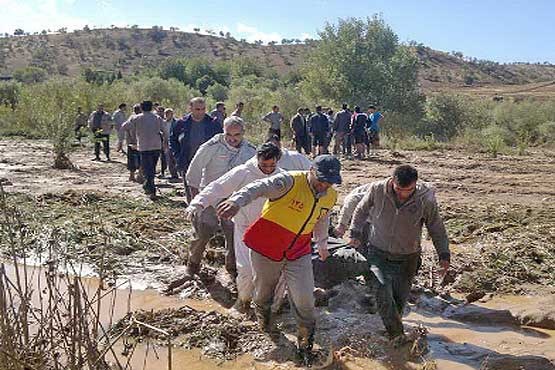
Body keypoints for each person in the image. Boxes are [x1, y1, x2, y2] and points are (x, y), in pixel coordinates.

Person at [216, 155, 341, 363]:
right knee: (265, 291)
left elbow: (322, 218)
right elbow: (256, 187)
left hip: (298, 250)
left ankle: (305, 345)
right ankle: (265, 323)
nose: (324, 185)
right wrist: (236, 201)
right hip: (267, 246)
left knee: (305, 298)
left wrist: (322, 243)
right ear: (310, 170)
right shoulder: (289, 182)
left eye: (330, 181)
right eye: (321, 180)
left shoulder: (330, 195)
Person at [348, 165, 450, 342]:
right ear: (392, 181)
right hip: (377, 251)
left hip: (408, 256)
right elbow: (361, 210)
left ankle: (390, 331)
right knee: (381, 289)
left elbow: (436, 227)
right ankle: (397, 336)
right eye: (399, 189)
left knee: (398, 299)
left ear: (415, 184)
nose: (403, 194)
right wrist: (355, 232)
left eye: (408, 190)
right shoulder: (377, 189)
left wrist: (444, 254)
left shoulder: (425, 199)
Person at [185, 143, 283, 312]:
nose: (268, 169)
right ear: (257, 159)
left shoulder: (282, 177)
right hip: (245, 227)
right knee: (245, 269)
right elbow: (218, 187)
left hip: (270, 229)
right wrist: (198, 203)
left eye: (272, 166)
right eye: (264, 165)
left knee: (274, 271)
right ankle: (243, 302)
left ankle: (271, 307)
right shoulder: (243, 172)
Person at [178, 117, 256, 282]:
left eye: (237, 135)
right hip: (209, 197)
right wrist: (194, 203)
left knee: (234, 234)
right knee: (203, 232)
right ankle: (192, 266)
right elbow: (193, 175)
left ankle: (232, 270)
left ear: (243, 133)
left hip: (234, 200)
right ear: (223, 131)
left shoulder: (250, 151)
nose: (232, 139)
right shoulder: (210, 147)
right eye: (229, 134)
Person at [169, 97, 223, 203]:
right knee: (190, 189)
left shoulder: (213, 124)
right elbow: (173, 139)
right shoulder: (181, 123)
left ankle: (207, 214)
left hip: (208, 164)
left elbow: (221, 141)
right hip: (187, 161)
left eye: (203, 109)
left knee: (207, 190)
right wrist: (177, 156)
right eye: (197, 109)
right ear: (191, 108)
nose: (201, 112)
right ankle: (193, 214)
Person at [121, 100, 166, 200]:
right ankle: (148, 187)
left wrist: (133, 134)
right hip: (156, 146)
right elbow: (165, 130)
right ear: (151, 108)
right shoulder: (157, 118)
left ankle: (151, 189)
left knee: (147, 169)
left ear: (141, 108)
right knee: (152, 168)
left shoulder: (136, 118)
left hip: (144, 147)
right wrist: (165, 143)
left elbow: (124, 126)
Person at [123, 104, 142, 182]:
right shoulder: (137, 118)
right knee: (140, 159)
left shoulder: (131, 118)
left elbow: (124, 126)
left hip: (133, 142)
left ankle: (134, 175)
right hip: (137, 143)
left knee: (132, 159)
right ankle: (137, 175)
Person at [161, 108, 179, 180]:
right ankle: (174, 174)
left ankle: (180, 173)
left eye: (168, 114)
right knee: (169, 159)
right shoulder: (163, 123)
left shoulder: (177, 122)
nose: (167, 115)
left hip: (175, 143)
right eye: (166, 114)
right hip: (166, 143)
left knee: (176, 158)